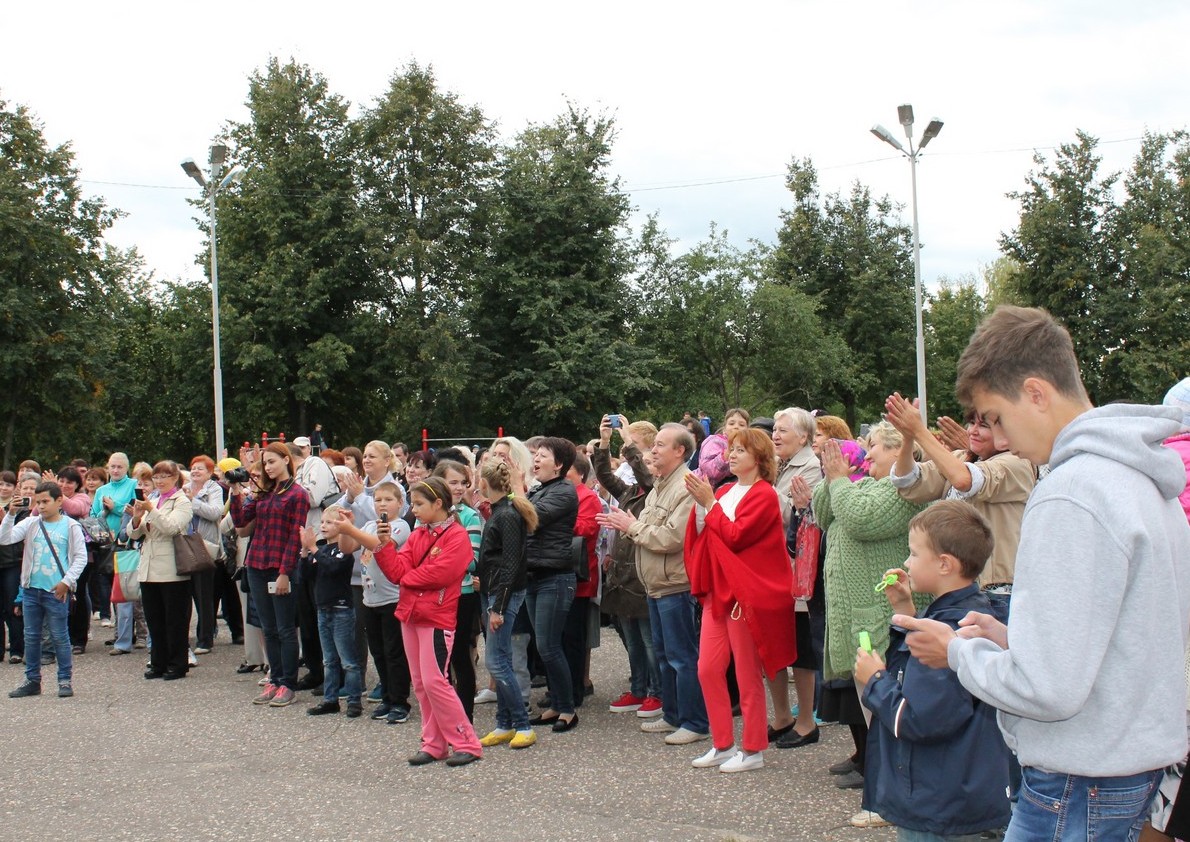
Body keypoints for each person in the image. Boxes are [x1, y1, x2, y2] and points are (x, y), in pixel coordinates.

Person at [897, 306, 1190, 841]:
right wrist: (1013, 640)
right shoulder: (1142, 479)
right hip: (1128, 765)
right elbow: (1127, 636)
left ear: (1035, 392)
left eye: (995, 416)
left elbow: (1047, 690)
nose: (996, 434)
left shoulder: (1073, 492)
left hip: (1078, 779)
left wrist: (957, 652)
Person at [855, 501, 1011, 839]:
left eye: (913, 553)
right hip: (960, 792)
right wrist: (904, 609)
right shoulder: (968, 614)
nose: (906, 563)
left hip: (937, 802)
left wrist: (874, 682)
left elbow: (918, 718)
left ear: (944, 564)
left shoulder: (951, 629)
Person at [812, 424, 926, 803]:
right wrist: (832, 480)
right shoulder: (863, 485)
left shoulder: (903, 490)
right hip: (855, 615)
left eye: (874, 445)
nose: (866, 451)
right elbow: (825, 514)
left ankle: (887, 793)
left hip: (880, 613)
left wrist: (840, 480)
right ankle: (878, 780)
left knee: (882, 704)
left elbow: (861, 519)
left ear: (898, 452)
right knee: (864, 702)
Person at [684, 429, 798, 773]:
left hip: (744, 593)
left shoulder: (765, 495)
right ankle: (722, 744)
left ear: (759, 458)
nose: (731, 455)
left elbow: (735, 536)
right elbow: (705, 535)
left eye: (740, 450)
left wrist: (708, 505)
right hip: (719, 591)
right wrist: (703, 508)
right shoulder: (725, 490)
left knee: (748, 674)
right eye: (730, 449)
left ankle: (752, 749)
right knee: (707, 668)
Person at [600, 422, 709, 745]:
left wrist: (630, 526)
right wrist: (631, 524)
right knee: (664, 655)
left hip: (675, 584)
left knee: (681, 656)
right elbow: (646, 522)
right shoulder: (661, 484)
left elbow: (672, 537)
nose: (654, 450)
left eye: (660, 445)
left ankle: (695, 722)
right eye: (654, 444)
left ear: (680, 451)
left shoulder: (686, 486)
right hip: (656, 584)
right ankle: (673, 715)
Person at [884, 393, 1036, 616]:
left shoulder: (1018, 463)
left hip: (998, 597)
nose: (972, 431)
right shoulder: (960, 459)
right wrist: (908, 438)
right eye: (971, 422)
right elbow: (908, 482)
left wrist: (920, 431)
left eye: (983, 425)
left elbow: (965, 480)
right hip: (959, 590)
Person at [372, 477, 483, 767]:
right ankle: (434, 743)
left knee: (436, 682)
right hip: (411, 614)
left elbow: (440, 575)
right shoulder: (419, 534)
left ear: (438, 504)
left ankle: (466, 742)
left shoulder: (456, 536)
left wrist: (406, 579)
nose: (414, 509)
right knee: (421, 684)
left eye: (419, 504)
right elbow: (397, 570)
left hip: (435, 617)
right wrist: (385, 545)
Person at [230, 442, 310, 708]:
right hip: (256, 564)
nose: (268, 467)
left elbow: (294, 536)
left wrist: (286, 572)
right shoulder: (264, 492)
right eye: (265, 463)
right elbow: (241, 521)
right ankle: (274, 679)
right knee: (268, 628)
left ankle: (288, 682)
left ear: (286, 460)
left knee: (286, 628)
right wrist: (236, 492)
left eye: (273, 461)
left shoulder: (297, 494)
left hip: (280, 567)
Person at [592, 416, 662, 718]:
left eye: (647, 460)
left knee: (649, 641)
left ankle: (657, 693)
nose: (640, 465)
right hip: (623, 577)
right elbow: (605, 476)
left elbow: (646, 477)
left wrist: (629, 442)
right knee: (633, 640)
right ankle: (638, 688)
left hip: (643, 578)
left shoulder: (655, 492)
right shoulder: (631, 493)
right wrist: (605, 442)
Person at [768, 407, 825, 749]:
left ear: (803, 437)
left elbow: (800, 518)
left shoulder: (812, 469)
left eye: (783, 430)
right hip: (771, 570)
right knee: (774, 645)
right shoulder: (778, 467)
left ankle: (806, 720)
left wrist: (760, 489)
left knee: (801, 648)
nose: (775, 435)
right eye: (774, 429)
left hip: (796, 572)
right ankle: (781, 717)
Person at [335, 481, 414, 725]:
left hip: (393, 598)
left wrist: (353, 529)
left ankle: (400, 701)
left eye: (388, 500)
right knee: (378, 651)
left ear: (400, 504)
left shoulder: (400, 526)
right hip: (370, 598)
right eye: (378, 499)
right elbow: (347, 548)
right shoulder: (368, 524)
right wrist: (344, 528)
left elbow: (380, 545)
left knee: (394, 652)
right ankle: (388, 697)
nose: (382, 504)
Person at [476, 460, 539, 750]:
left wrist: (498, 607)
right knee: (499, 658)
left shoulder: (507, 516)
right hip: (496, 592)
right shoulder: (500, 513)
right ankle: (504, 723)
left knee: (498, 662)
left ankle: (522, 724)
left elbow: (511, 563)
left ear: (486, 484)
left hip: (504, 595)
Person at [3, 482, 86, 698]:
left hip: (56, 591)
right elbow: (5, 538)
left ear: (59, 501)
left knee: (60, 636)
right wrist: (10, 515)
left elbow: (80, 557)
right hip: (31, 589)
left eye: (45, 501)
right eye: (38, 502)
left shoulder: (70, 526)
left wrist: (67, 582)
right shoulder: (31, 523)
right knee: (31, 636)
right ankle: (32, 680)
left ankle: (65, 680)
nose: (41, 506)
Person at [524, 437, 581, 732]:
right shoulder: (541, 490)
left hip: (555, 578)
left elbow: (533, 518)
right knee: (545, 646)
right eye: (535, 454)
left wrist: (511, 490)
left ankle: (568, 709)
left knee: (549, 646)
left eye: (542, 455)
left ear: (559, 464)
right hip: (535, 576)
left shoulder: (564, 491)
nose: (535, 459)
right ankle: (557, 705)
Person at [127, 461, 194, 681]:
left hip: (171, 567)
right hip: (148, 566)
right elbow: (135, 534)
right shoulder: (152, 500)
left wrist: (151, 511)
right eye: (156, 477)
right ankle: (158, 661)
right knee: (154, 618)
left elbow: (171, 527)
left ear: (175, 478)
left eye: (165, 476)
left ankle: (177, 663)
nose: (160, 481)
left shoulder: (182, 501)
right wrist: (137, 517)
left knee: (175, 619)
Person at [300, 505, 363, 717]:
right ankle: (330, 699)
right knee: (328, 659)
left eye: (330, 522)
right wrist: (305, 551)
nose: (324, 526)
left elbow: (333, 568)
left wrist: (315, 550)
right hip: (323, 608)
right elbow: (308, 573)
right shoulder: (321, 549)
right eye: (323, 522)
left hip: (341, 608)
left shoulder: (343, 551)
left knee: (348, 660)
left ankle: (354, 700)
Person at [184, 455, 226, 655]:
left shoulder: (214, 489)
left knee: (203, 594)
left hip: (204, 546)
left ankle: (205, 638)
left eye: (200, 468)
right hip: (183, 544)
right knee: (185, 592)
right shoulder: (183, 487)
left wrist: (193, 502)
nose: (195, 471)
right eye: (193, 468)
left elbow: (215, 513)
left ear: (210, 473)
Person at [0, 470, 26, 664]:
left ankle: (17, 649)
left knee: (12, 607)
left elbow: (16, 535)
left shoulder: (21, 507)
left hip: (11, 561)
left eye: (8, 484)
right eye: (1, 483)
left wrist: (8, 516)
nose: (3, 487)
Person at [697, 408, 751, 486]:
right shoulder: (715, 441)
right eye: (731, 424)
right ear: (724, 428)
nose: (736, 427)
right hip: (701, 486)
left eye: (741, 425)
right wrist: (726, 454)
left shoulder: (748, 447)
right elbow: (708, 470)